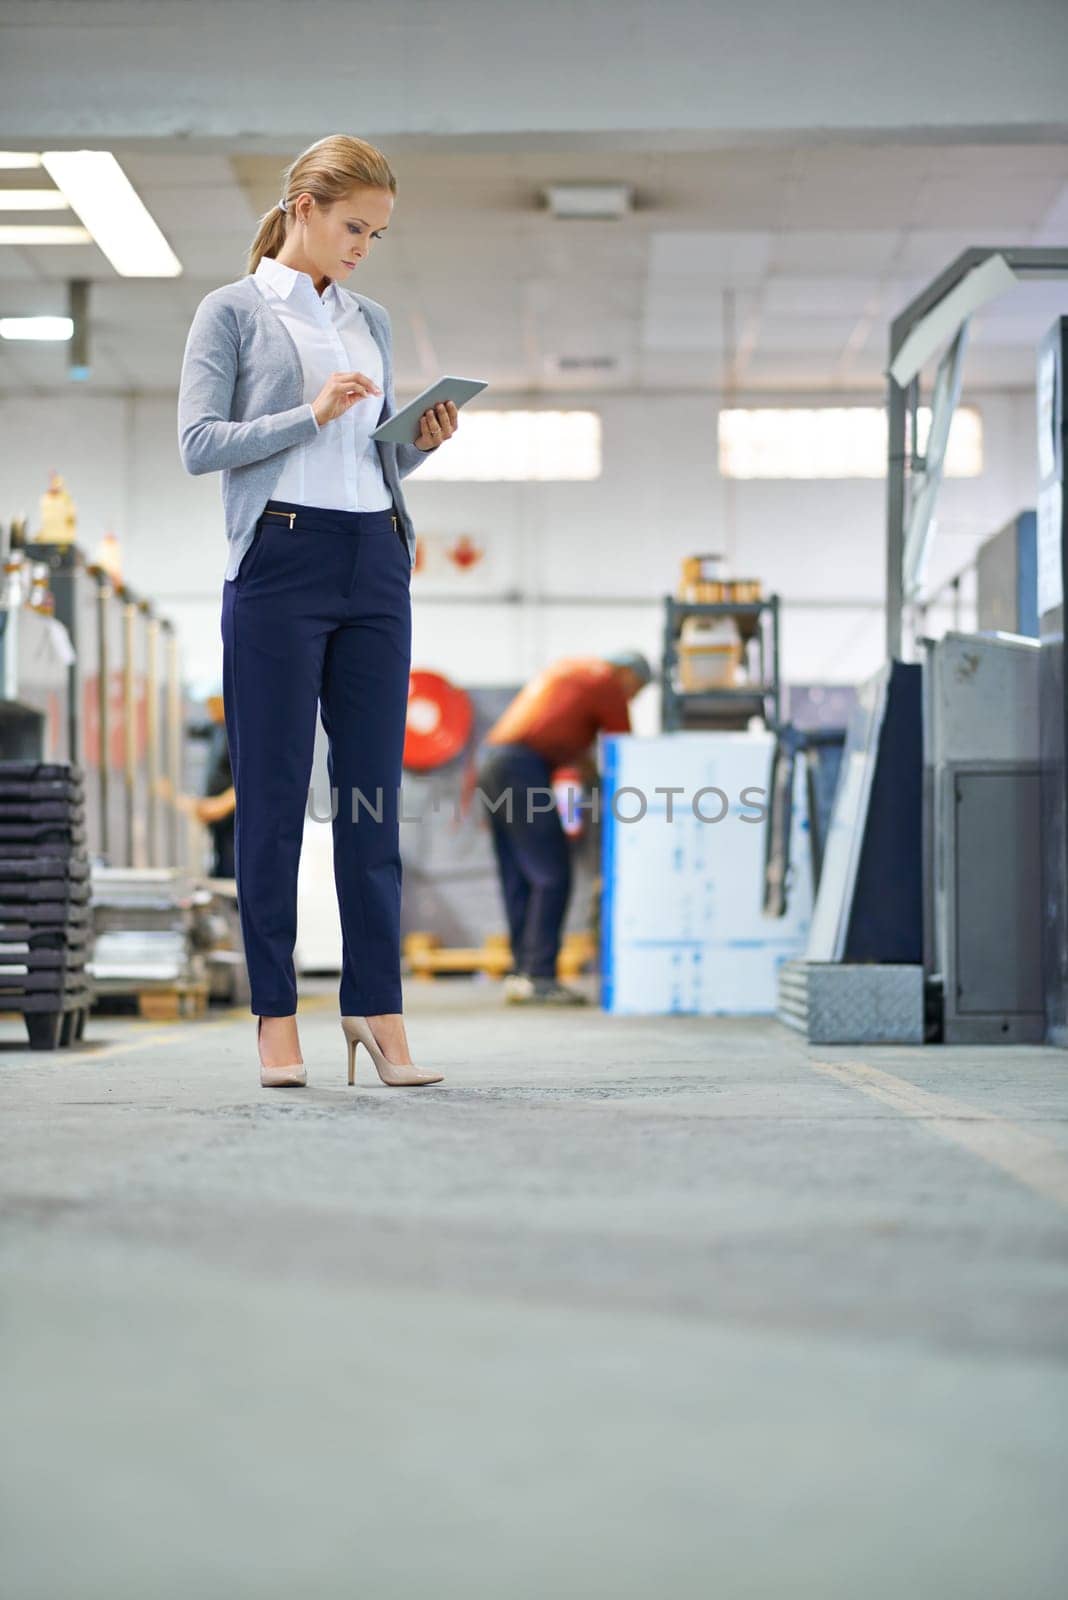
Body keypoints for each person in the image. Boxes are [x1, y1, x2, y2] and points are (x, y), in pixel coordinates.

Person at [178, 134, 458, 1090]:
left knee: (372, 798)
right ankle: (275, 1017)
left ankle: (378, 1011)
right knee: (272, 799)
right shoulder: (232, 312)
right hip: (279, 562)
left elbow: (364, 456)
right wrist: (310, 412)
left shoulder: (368, 317)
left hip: (375, 555)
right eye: (352, 227)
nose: (362, 248)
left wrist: (413, 444)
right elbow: (198, 443)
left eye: (376, 234)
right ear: (302, 206)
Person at [475, 650, 653, 1005]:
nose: (631, 698)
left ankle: (523, 973)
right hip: (522, 770)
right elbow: (624, 747)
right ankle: (541, 977)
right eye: (635, 691)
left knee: (520, 875)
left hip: (493, 765)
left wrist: (594, 778)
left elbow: (575, 749)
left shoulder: (571, 672)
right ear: (627, 674)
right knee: (552, 875)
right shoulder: (607, 682)